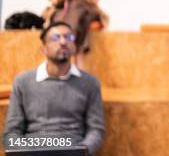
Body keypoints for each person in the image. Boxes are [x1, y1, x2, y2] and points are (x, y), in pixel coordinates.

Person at [3, 21, 105, 154]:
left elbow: (96, 129)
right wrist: (23, 151)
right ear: (43, 48)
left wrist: (83, 149)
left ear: (74, 46)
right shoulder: (23, 81)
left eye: (69, 37)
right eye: (56, 38)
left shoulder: (90, 83)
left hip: (73, 150)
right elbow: (12, 132)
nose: (63, 42)